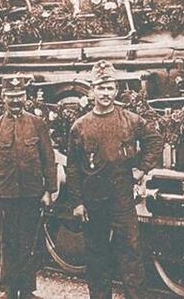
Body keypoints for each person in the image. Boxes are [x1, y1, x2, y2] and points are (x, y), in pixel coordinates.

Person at [67, 60, 163, 299]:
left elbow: (154, 140)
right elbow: (73, 167)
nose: (105, 93)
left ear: (116, 90)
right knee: (97, 256)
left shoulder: (130, 120)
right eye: (101, 87)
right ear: (92, 90)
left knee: (130, 254)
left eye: (110, 88)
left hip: (122, 198)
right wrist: (77, 202)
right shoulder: (80, 126)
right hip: (93, 199)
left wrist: (141, 169)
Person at [0, 75, 57, 299]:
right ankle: (8, 290)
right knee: (7, 243)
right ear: (3, 97)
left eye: (19, 96)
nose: (15, 100)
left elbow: (48, 159)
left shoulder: (37, 124)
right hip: (4, 194)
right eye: (11, 96)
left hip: (31, 193)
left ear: (26, 97)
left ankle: (26, 291)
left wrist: (49, 190)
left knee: (28, 243)